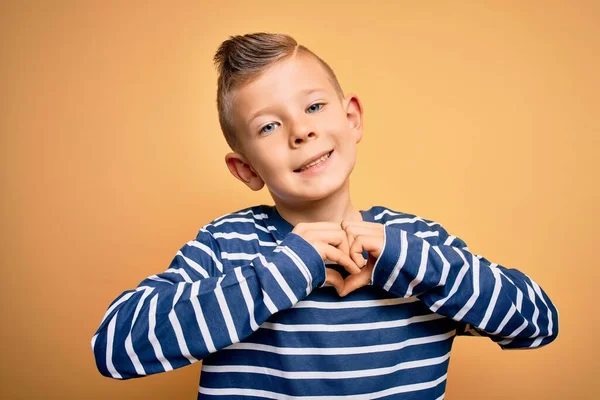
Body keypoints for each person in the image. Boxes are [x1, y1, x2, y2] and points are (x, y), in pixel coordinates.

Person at [91, 32, 559, 399]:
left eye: (314, 105)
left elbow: (537, 323)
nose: (302, 130)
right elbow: (114, 348)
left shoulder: (416, 244)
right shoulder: (225, 245)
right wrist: (287, 269)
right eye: (269, 126)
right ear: (247, 168)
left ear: (351, 118)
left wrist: (407, 260)